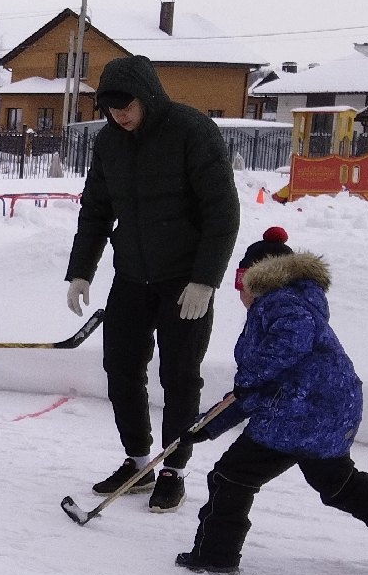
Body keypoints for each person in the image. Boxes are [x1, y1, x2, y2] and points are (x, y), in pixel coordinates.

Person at [173, 228, 368, 575]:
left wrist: (250, 376)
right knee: (336, 482)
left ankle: (215, 555)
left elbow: (279, 354)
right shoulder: (299, 299)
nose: (239, 290)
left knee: (232, 476)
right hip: (330, 408)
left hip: (298, 413)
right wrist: (208, 426)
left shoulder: (279, 302)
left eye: (242, 280)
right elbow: (254, 389)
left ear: (258, 277)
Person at [64, 54, 241, 513]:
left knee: (179, 376)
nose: (119, 115)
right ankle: (138, 461)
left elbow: (222, 212)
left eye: (127, 106)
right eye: (110, 109)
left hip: (185, 280)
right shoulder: (109, 143)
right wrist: (81, 269)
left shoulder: (191, 131)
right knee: (121, 368)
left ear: (148, 96)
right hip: (132, 276)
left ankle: (173, 470)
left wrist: (205, 280)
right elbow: (97, 209)